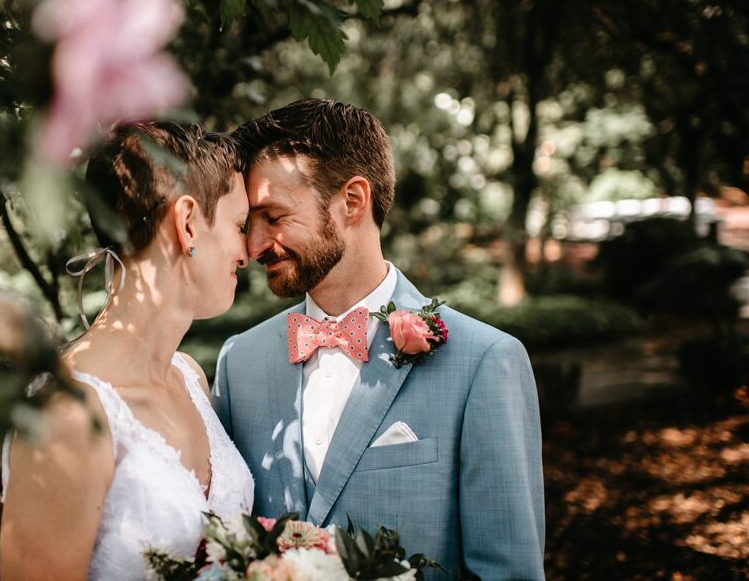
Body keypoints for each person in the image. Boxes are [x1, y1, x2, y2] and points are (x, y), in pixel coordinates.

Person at [213, 99, 546, 579]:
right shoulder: (239, 362)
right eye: (249, 223)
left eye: (275, 216)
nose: (254, 245)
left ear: (352, 200)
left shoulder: (484, 363)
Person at [0, 122, 255, 580]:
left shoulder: (191, 377)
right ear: (188, 223)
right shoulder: (66, 412)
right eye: (240, 225)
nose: (247, 252)